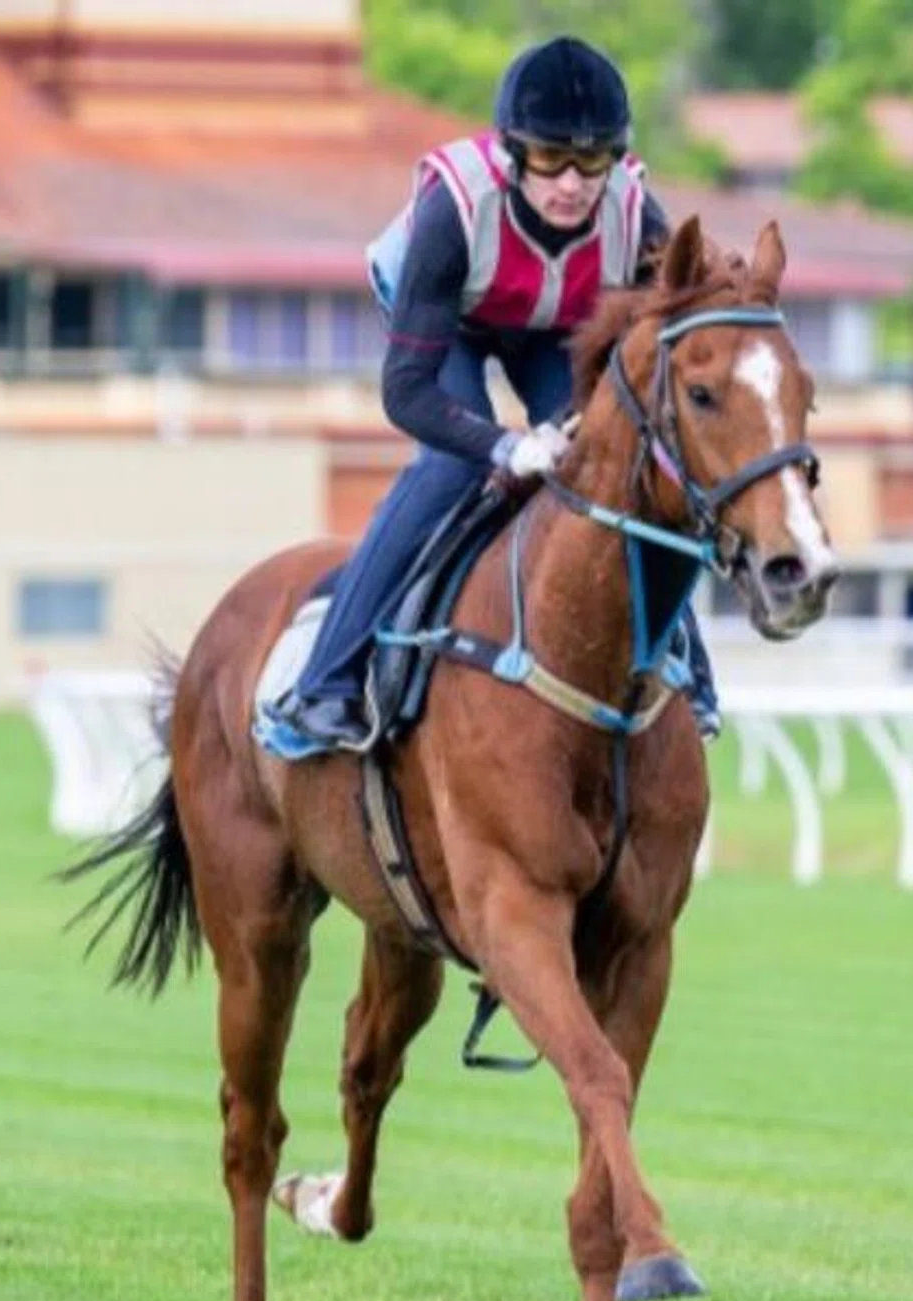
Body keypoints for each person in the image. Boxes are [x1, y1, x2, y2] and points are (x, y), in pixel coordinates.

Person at [258, 35, 722, 759]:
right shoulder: (454, 209)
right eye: (548, 160)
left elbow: (700, 296)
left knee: (613, 462)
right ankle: (327, 680)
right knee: (454, 470)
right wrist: (506, 445)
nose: (570, 184)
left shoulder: (636, 210)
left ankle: (689, 669)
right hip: (451, 323)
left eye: (592, 161)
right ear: (512, 154)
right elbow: (406, 393)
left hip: (547, 325)